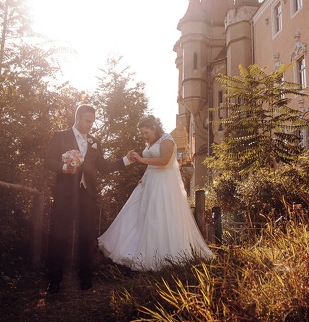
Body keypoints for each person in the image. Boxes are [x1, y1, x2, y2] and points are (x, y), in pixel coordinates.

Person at [98, 115, 213, 271]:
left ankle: (163, 258)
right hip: (149, 182)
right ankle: (136, 252)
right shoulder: (152, 142)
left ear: (154, 127)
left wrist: (140, 158)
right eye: (143, 134)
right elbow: (151, 166)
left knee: (159, 216)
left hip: (163, 184)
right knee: (141, 216)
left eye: (146, 132)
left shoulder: (167, 140)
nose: (145, 136)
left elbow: (163, 161)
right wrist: (144, 177)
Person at [44, 104, 133, 292]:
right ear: (77, 118)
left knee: (86, 237)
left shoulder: (95, 142)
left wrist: (126, 160)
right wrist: (63, 168)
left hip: (87, 195)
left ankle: (85, 279)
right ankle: (54, 281)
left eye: (92, 122)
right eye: (87, 121)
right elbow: (48, 160)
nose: (90, 125)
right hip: (65, 195)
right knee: (60, 236)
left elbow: (104, 167)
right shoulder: (60, 136)